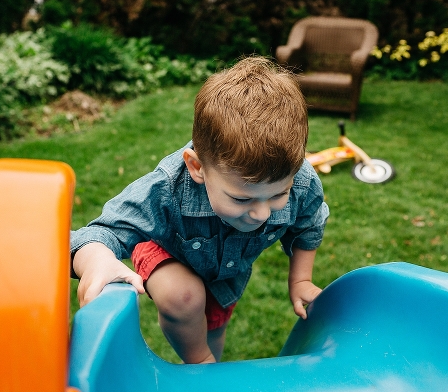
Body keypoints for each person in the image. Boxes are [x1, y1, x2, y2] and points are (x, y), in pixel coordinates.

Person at [70, 56, 329, 364]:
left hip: (224, 274)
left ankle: (207, 372)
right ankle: (198, 362)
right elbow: (98, 233)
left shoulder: (301, 181)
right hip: (164, 244)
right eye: (242, 199)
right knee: (185, 297)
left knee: (213, 328)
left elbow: (309, 224)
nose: (261, 214)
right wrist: (97, 260)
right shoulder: (166, 189)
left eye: (278, 195)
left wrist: (300, 280)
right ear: (197, 166)